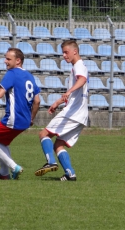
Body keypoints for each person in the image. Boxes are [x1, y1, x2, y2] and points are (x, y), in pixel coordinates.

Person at [0, 48, 40, 180]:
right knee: (2, 142)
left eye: (8, 59)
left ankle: (14, 166)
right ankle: (3, 174)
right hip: (25, 120)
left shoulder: (12, 73)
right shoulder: (29, 75)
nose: (5, 61)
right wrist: (31, 118)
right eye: (5, 58)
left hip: (13, 118)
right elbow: (37, 101)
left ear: (18, 61)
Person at [35, 40, 88, 181]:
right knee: (58, 144)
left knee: (43, 133)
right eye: (63, 53)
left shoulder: (78, 66)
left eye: (66, 52)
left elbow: (82, 79)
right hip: (81, 116)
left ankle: (51, 162)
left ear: (75, 51)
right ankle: (70, 174)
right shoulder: (77, 66)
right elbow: (76, 89)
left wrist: (69, 91)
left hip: (73, 113)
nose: (64, 55)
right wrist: (58, 101)